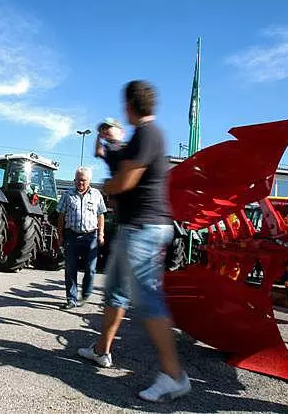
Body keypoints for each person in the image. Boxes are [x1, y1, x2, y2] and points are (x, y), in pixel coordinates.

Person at [78, 80, 191, 402]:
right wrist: (110, 150)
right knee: (115, 292)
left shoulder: (148, 134)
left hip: (145, 228)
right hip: (133, 228)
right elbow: (120, 160)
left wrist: (107, 186)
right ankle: (102, 350)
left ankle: (174, 375)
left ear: (129, 105)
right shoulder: (141, 137)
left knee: (148, 299)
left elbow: (125, 180)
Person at [56, 166, 107, 309]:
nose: (80, 183)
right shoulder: (67, 195)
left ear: (89, 180)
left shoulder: (96, 195)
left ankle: (85, 294)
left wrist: (101, 234)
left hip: (91, 236)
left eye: (83, 180)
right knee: (70, 268)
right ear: (74, 180)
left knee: (90, 269)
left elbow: (101, 215)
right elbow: (61, 215)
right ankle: (71, 299)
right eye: (77, 180)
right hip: (71, 235)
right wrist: (60, 235)